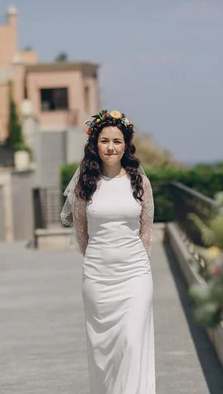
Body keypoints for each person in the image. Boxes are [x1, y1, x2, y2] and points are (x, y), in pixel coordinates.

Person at [61, 109, 156, 394]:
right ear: (95, 144)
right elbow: (82, 233)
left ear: (126, 144)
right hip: (98, 278)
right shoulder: (85, 186)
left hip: (135, 275)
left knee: (131, 341)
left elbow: (146, 232)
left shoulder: (140, 183)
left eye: (117, 141)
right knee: (105, 354)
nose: (110, 147)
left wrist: (131, 260)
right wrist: (99, 260)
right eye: (104, 141)